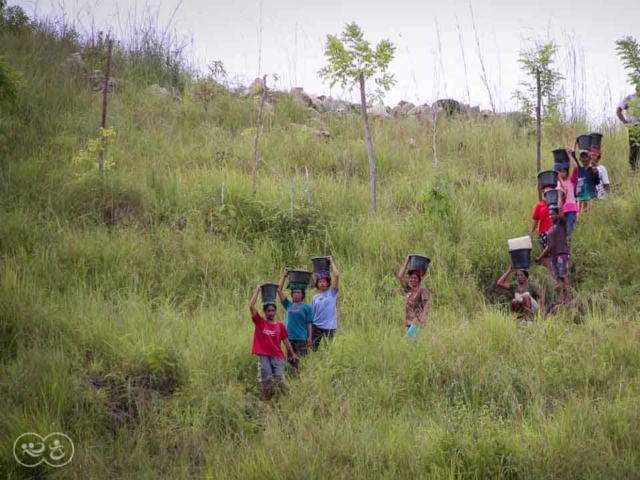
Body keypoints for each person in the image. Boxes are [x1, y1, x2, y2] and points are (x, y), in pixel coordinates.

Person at [249, 284, 298, 401]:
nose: (270, 313)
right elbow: (251, 306)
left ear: (275, 312)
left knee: (280, 379)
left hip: (278, 356)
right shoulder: (260, 322)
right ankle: (266, 401)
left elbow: (286, 341)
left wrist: (292, 353)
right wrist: (257, 290)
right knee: (266, 379)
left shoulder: (280, 325)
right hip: (264, 356)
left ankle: (288, 399)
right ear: (265, 312)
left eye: (272, 311)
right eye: (268, 311)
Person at [277, 268, 313, 370]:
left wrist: (309, 337)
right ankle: (294, 376)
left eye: (298, 293)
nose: (296, 294)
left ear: (302, 294)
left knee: (302, 360)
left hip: (302, 338)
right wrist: (284, 276)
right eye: (294, 293)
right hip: (289, 338)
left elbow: (309, 323)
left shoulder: (307, 307)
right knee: (291, 361)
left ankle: (302, 377)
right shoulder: (288, 305)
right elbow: (279, 290)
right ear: (292, 294)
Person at [535, 202, 570, 305]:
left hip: (562, 254)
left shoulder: (561, 223)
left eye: (553, 214)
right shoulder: (550, 229)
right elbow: (549, 246)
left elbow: (560, 208)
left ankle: (568, 296)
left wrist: (559, 194)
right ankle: (561, 297)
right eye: (549, 215)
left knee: (563, 275)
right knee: (557, 277)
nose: (551, 216)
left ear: (557, 214)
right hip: (554, 256)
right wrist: (540, 257)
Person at [310, 255, 340, 351]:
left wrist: (331, 262)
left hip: (329, 326)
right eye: (320, 282)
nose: (322, 283)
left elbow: (337, 275)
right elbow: (311, 315)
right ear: (317, 284)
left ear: (327, 283)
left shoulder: (332, 292)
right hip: (316, 326)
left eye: (324, 281)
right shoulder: (315, 298)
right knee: (313, 349)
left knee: (329, 350)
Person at [396, 255, 431, 330]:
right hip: (408, 323)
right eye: (411, 278)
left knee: (410, 340)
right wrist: (407, 261)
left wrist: (423, 318)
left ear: (419, 280)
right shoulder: (409, 289)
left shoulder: (423, 290)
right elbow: (400, 276)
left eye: (415, 278)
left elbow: (427, 304)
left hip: (417, 323)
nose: (413, 280)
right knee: (409, 341)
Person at [616, 84, 640, 172]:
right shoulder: (630, 98)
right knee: (634, 147)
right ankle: (633, 169)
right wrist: (625, 123)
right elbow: (618, 110)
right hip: (633, 126)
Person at [569, 148, 599, 215]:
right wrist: (570, 152)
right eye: (582, 157)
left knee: (591, 216)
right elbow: (573, 158)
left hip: (591, 197)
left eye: (586, 157)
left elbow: (597, 182)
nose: (584, 159)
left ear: (589, 159)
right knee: (580, 218)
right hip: (580, 197)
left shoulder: (593, 169)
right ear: (580, 159)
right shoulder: (579, 170)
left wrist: (595, 173)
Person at [528, 192, 553, 274]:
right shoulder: (540, 205)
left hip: (555, 233)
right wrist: (530, 233)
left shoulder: (556, 203)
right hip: (543, 234)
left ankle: (559, 280)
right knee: (546, 258)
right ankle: (553, 280)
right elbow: (535, 220)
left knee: (555, 257)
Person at [555, 151, 578, 237]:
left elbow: (576, 167)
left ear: (567, 172)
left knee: (569, 231)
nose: (562, 173)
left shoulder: (571, 181)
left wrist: (569, 155)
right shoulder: (557, 184)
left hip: (571, 209)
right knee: (561, 232)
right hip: (561, 210)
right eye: (560, 172)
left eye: (564, 171)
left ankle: (569, 247)